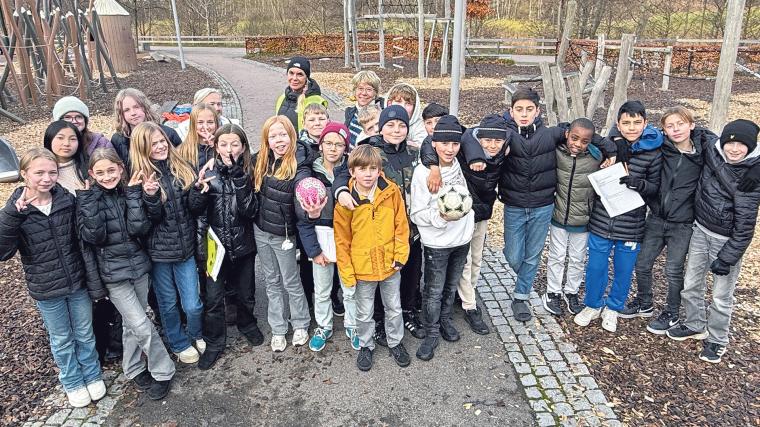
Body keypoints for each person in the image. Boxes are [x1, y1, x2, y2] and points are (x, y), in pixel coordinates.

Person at [498, 87, 615, 322]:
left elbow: (584, 132)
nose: (524, 114)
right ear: (511, 112)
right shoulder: (505, 133)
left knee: (533, 255)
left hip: (543, 206)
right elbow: (477, 136)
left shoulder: (552, 134)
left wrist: (610, 150)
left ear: (538, 111)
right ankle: (525, 279)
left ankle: (521, 296)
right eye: (519, 109)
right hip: (514, 204)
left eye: (529, 109)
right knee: (513, 255)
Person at [0, 148, 105, 408]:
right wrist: (13, 215)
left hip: (76, 281)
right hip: (47, 288)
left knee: (84, 332)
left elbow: (82, 237)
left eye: (52, 172)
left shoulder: (65, 199)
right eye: (39, 173)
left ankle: (91, 374)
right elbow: (3, 252)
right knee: (61, 339)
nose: (46, 178)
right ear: (24, 174)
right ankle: (72, 381)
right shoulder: (15, 209)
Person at [76, 148, 175, 399]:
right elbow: (94, 236)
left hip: (139, 268)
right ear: (91, 174)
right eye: (100, 172)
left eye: (111, 170)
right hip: (113, 276)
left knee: (133, 325)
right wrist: (87, 201)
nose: (107, 176)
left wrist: (133, 195)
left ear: (121, 168)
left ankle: (132, 367)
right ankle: (163, 370)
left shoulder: (129, 192)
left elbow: (139, 227)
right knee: (141, 324)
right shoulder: (87, 200)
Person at [666, 119, 760, 364]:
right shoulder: (712, 149)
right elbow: (693, 129)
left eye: (742, 145)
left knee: (721, 295)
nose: (735, 149)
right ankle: (694, 323)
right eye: (731, 143)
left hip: (726, 242)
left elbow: (746, 226)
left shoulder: (753, 177)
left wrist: (728, 257)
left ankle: (717, 339)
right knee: (691, 283)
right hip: (700, 230)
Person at [619, 107, 716, 333]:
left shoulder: (704, 151)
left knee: (673, 269)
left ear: (691, 125)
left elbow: (731, 152)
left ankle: (671, 312)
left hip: (683, 223)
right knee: (642, 263)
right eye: (670, 126)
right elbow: (628, 132)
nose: (676, 130)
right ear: (663, 130)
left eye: (680, 124)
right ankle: (644, 302)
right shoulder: (661, 146)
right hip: (656, 217)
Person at [335, 105, 425, 343]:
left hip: (411, 230)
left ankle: (407, 313)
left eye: (402, 125)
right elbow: (345, 173)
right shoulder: (370, 150)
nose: (396, 130)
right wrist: (341, 191)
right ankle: (377, 322)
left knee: (409, 276)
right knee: (378, 280)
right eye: (390, 125)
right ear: (381, 126)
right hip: (379, 229)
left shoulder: (416, 152)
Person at [574, 101, 663, 333]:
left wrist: (640, 184)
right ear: (618, 124)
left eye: (636, 123)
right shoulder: (608, 145)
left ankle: (613, 307)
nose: (631, 127)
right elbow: (580, 135)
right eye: (626, 123)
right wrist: (606, 160)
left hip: (631, 224)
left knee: (624, 270)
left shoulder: (653, 153)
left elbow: (655, 187)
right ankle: (592, 304)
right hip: (602, 219)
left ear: (645, 123)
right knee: (595, 266)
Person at [419, 114, 510, 334]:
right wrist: (433, 167)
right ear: (477, 140)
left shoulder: (504, 150)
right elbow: (429, 145)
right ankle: (469, 305)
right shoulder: (464, 151)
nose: (492, 145)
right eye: (487, 141)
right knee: (465, 262)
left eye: (497, 141)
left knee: (476, 259)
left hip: (482, 213)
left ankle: (466, 295)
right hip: (461, 217)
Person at [44, 120, 124, 362]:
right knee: (80, 303)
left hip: (95, 241)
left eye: (72, 138)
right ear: (49, 140)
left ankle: (111, 344)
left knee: (102, 296)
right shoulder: (46, 172)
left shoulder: (84, 168)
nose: (66, 143)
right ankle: (89, 355)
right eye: (60, 138)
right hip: (62, 246)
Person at [188, 124, 264, 369]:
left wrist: (241, 179)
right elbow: (195, 209)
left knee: (245, 292)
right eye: (223, 144)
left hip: (243, 243)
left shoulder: (250, 171)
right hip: (215, 245)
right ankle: (214, 341)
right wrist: (199, 191)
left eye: (234, 144)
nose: (229, 149)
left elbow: (251, 210)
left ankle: (247, 323)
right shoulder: (207, 172)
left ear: (243, 147)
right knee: (213, 297)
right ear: (215, 146)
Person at [129, 121, 205, 364]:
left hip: (185, 249)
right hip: (160, 253)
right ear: (142, 148)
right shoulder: (140, 178)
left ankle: (196, 332)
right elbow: (144, 222)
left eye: (162, 141)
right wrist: (150, 197)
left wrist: (198, 190)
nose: (161, 146)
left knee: (192, 303)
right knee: (168, 303)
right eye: (154, 144)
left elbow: (192, 209)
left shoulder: (180, 166)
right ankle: (179, 342)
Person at [334, 144, 411, 371]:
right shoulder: (346, 201)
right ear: (352, 172)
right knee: (364, 312)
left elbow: (401, 225)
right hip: (362, 267)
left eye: (372, 169)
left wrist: (400, 254)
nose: (368, 174)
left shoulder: (391, 191)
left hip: (389, 264)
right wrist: (347, 272)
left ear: (379, 170)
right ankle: (365, 345)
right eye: (362, 169)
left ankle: (395, 342)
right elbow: (342, 239)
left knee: (394, 307)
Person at [410, 115, 474, 361]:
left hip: (462, 239)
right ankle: (431, 331)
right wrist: (441, 218)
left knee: (450, 285)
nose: (450, 149)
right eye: (444, 143)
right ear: (433, 143)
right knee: (433, 289)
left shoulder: (460, 165)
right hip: (437, 242)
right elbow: (417, 213)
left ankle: (446, 320)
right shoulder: (422, 173)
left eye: (455, 144)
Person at [297, 122, 359, 352]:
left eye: (339, 144)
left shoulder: (351, 170)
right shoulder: (309, 172)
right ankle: (323, 325)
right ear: (320, 145)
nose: (333, 148)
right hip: (320, 236)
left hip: (346, 237)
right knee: (322, 289)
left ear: (346, 148)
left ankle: (353, 324)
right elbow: (303, 218)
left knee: (350, 287)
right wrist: (314, 251)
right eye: (328, 143)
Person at [252, 115, 313, 352]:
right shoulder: (260, 161)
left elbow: (303, 182)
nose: (279, 140)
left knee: (290, 280)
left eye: (283, 135)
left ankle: (300, 323)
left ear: (291, 136)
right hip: (261, 231)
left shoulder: (298, 163)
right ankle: (278, 327)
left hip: (283, 235)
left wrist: (309, 199)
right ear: (267, 140)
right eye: (273, 136)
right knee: (271, 281)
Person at [543, 118, 604, 316]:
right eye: (574, 138)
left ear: (591, 142)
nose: (577, 144)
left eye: (584, 141)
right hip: (559, 214)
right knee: (557, 256)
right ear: (567, 134)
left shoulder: (596, 158)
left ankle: (571, 292)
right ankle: (553, 292)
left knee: (578, 258)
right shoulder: (556, 151)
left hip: (583, 219)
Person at [111, 88, 183, 172]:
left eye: (136, 107)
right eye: (126, 110)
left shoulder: (168, 133)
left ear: (145, 107)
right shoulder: (118, 140)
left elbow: (182, 160)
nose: (133, 113)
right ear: (121, 114)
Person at [275, 56, 329, 132]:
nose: (294, 78)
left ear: (307, 77)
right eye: (291, 73)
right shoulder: (282, 98)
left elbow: (319, 132)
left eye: (300, 74)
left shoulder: (315, 102)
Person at [344, 70, 384, 148]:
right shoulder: (350, 112)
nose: (364, 93)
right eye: (360, 88)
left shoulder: (381, 113)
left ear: (375, 93)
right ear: (354, 91)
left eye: (369, 89)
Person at [176, 103, 220, 169]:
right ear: (193, 124)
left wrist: (216, 148)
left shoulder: (225, 148)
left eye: (210, 122)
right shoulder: (182, 151)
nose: (206, 127)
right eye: (200, 122)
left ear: (216, 124)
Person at [385, 83, 427, 148]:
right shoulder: (379, 122)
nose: (403, 107)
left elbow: (422, 147)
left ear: (414, 107)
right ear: (389, 104)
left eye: (408, 104)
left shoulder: (421, 126)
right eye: (398, 102)